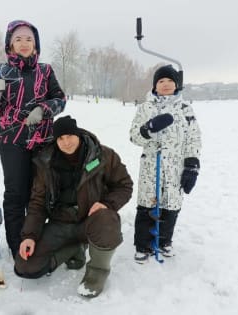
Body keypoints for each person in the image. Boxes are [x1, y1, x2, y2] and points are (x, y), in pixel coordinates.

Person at [14, 115, 133, 298]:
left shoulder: (103, 155)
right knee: (25, 267)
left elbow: (124, 185)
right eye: (60, 138)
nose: (66, 142)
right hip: (60, 223)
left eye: (70, 136)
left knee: (107, 219)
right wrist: (29, 236)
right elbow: (37, 203)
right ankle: (74, 249)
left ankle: (96, 275)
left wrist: (107, 203)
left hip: (90, 220)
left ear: (78, 134)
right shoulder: (45, 162)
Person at [0, 20, 66, 258]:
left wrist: (44, 109)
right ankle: (16, 244)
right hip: (12, 141)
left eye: (29, 39)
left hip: (43, 141)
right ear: (10, 44)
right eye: (18, 39)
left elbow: (60, 98)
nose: (24, 43)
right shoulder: (0, 70)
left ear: (36, 44)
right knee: (16, 194)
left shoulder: (45, 70)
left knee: (40, 193)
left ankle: (36, 240)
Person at [129, 64, 202, 263]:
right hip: (151, 167)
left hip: (175, 168)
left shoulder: (185, 109)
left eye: (170, 81)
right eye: (161, 81)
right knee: (147, 205)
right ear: (155, 85)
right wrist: (148, 129)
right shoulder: (145, 108)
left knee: (171, 205)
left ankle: (163, 241)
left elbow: (193, 138)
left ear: (177, 84)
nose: (166, 84)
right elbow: (134, 136)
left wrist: (192, 165)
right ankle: (143, 245)